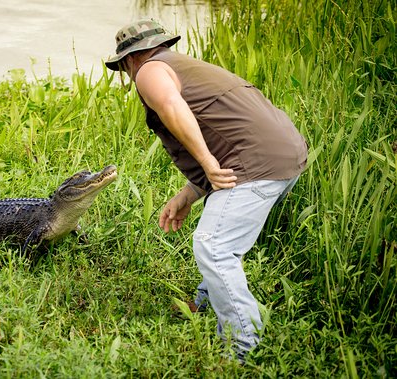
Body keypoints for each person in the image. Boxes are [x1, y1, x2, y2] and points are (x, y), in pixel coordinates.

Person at [105, 19, 308, 360]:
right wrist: (190, 192)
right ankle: (203, 302)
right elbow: (225, 132)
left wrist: (207, 163)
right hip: (285, 155)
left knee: (214, 245)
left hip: (257, 164)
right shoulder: (186, 66)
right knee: (224, 236)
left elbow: (172, 107)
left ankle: (240, 348)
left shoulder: (149, 71)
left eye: (124, 66)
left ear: (129, 60)